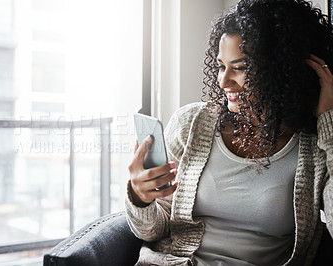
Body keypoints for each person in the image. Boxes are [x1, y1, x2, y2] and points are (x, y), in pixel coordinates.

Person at [125, 0, 333, 265]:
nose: (223, 81)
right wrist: (140, 198)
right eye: (221, 66)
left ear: (283, 71)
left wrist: (329, 123)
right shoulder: (191, 125)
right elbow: (152, 230)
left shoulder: (317, 145)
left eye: (240, 67)